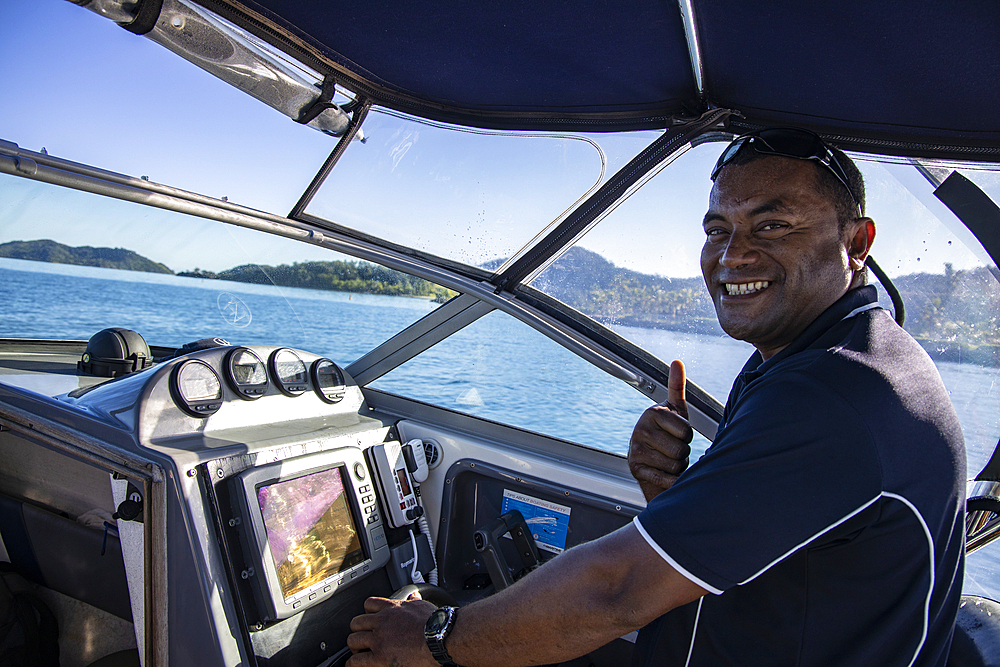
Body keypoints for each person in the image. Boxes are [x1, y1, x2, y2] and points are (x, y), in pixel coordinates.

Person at [346, 128, 967, 666]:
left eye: (773, 225)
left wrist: (432, 639)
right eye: (718, 228)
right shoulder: (820, 358)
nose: (733, 255)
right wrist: (672, 497)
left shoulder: (834, 394)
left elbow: (614, 592)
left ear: (857, 243)